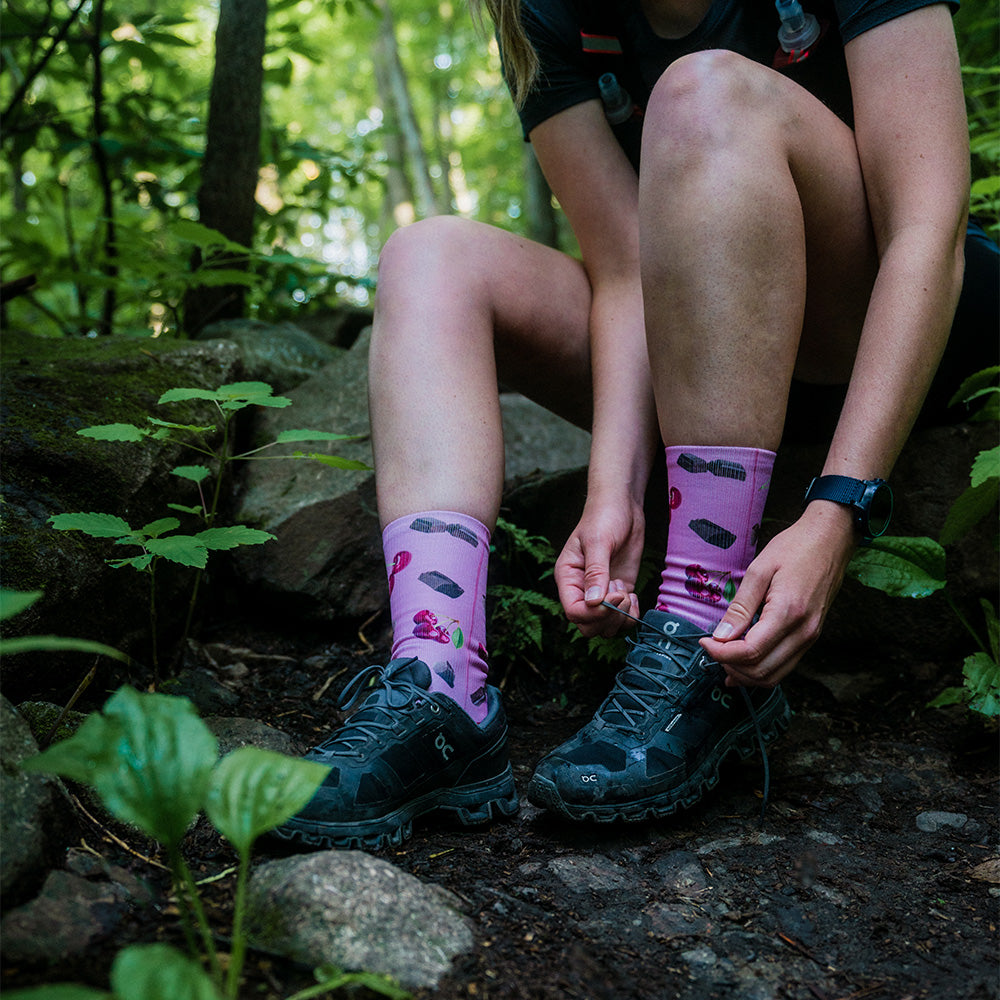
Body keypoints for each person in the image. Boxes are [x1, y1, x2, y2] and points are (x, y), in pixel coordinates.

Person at [275, 0, 998, 849]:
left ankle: (700, 626)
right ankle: (440, 687)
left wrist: (838, 505)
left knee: (702, 92)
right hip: (699, 342)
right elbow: (623, 269)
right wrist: (613, 489)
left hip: (874, 316)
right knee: (428, 255)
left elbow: (928, 229)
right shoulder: (544, 14)